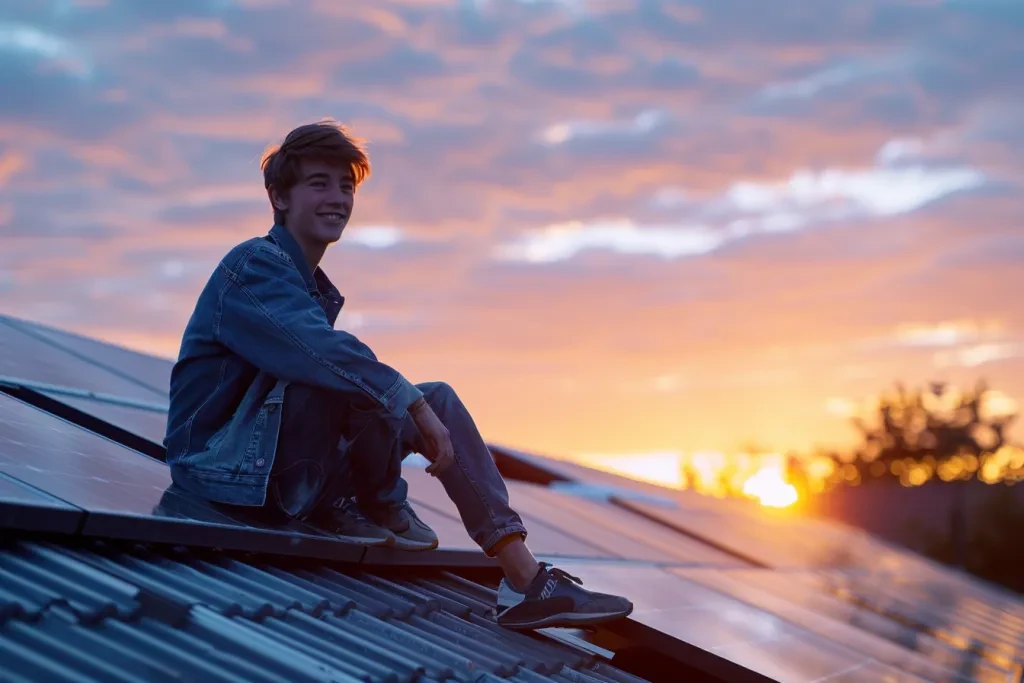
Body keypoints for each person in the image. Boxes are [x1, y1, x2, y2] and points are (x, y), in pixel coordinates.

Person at [163, 119, 633, 630]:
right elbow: (317, 351)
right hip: (223, 468)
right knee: (354, 374)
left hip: (276, 465)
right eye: (319, 183)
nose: (337, 199)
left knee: (440, 399)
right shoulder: (253, 265)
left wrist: (418, 403)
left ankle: (525, 581)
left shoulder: (313, 287)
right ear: (279, 196)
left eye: (346, 187)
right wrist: (408, 403)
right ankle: (374, 503)